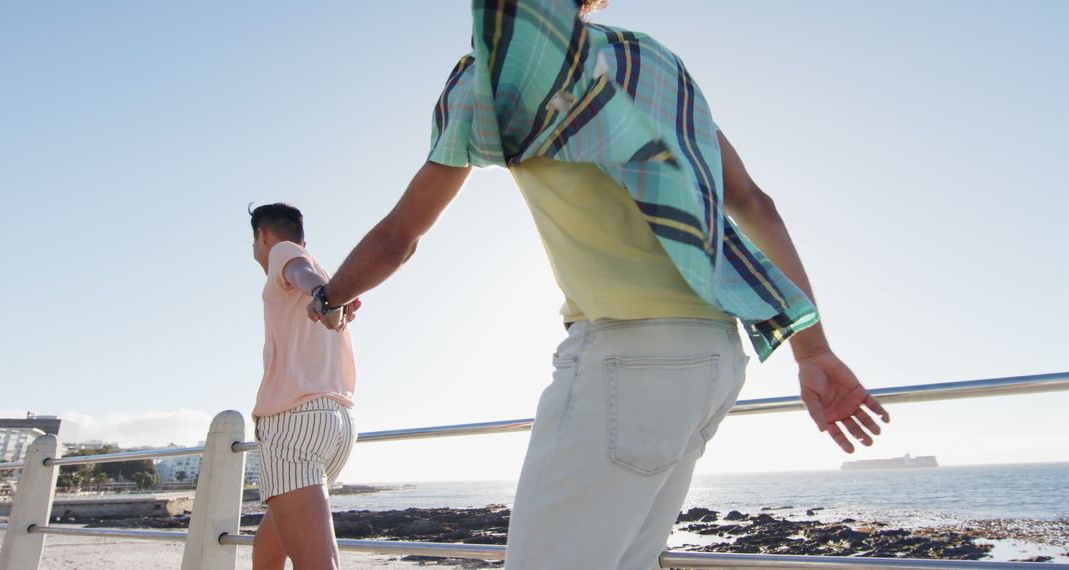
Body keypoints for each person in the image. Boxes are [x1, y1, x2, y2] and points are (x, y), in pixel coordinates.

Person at [309, 1, 890, 567]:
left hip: (626, 359)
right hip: (715, 356)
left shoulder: (492, 79)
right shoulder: (655, 62)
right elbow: (753, 201)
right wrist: (812, 348)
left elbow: (397, 239)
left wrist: (328, 298)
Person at [248, 203, 359, 570]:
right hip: (336, 425)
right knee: (272, 539)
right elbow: (309, 275)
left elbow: (300, 270)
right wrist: (327, 295)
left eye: (255, 242)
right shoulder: (329, 282)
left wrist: (321, 295)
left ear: (263, 234)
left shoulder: (288, 256)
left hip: (295, 424)